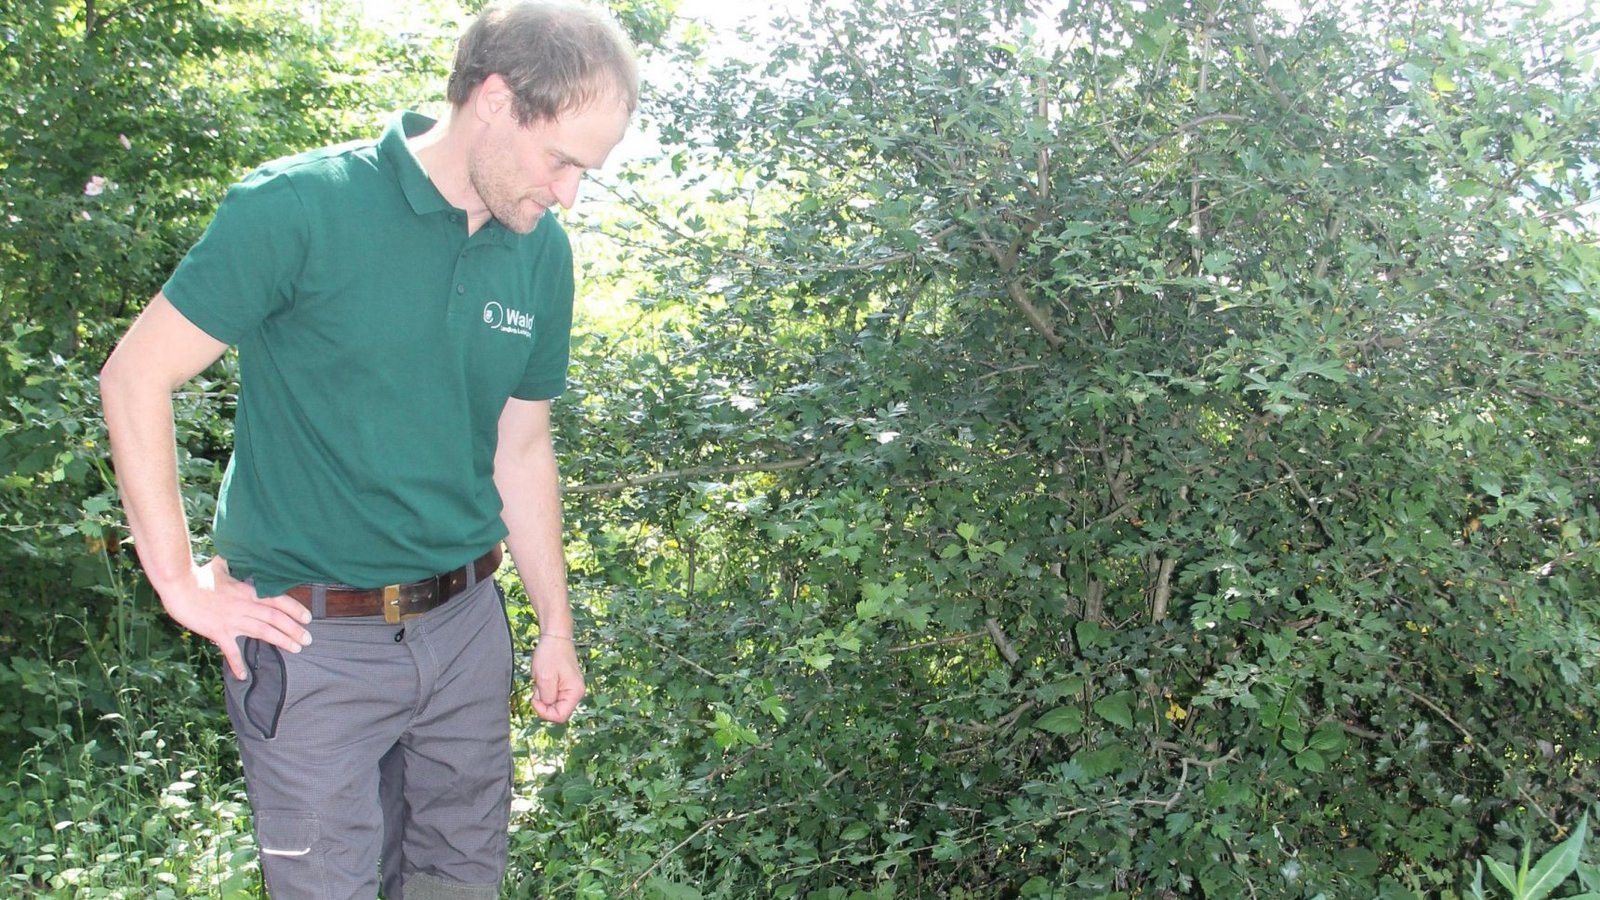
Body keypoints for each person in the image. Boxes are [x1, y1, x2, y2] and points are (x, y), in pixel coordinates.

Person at [98, 3, 637, 897]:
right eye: (562, 160)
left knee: (460, 881)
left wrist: (556, 627)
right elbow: (134, 377)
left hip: (465, 632)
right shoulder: (300, 207)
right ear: (495, 101)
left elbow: (522, 447)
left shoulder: (540, 253)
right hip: (312, 643)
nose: (569, 193)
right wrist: (180, 583)